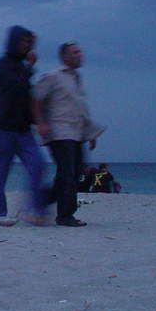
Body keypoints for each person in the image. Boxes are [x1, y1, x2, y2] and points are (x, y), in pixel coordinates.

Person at [34, 41, 106, 227]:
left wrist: (91, 134)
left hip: (76, 133)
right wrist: (41, 123)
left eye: (79, 52)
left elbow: (80, 109)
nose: (79, 55)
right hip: (59, 132)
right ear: (65, 56)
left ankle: (40, 199)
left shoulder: (76, 79)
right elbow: (36, 98)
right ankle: (65, 215)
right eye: (75, 52)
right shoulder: (53, 77)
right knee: (67, 174)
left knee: (75, 173)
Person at [0, 26, 47, 227]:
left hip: (23, 130)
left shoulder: (23, 68)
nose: (27, 46)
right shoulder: (2, 64)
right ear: (14, 41)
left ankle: (34, 209)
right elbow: (12, 87)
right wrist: (29, 67)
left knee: (38, 164)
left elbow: (27, 98)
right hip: (2, 127)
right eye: (24, 41)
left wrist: (39, 122)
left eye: (30, 43)